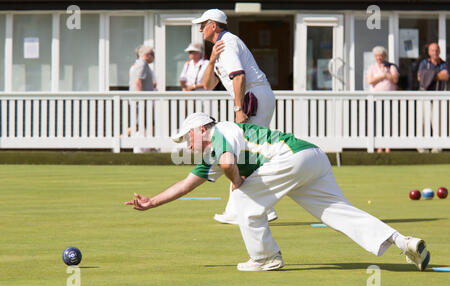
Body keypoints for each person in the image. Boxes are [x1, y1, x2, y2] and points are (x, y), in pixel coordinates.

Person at [124, 112, 431, 272]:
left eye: (187, 137)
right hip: (312, 156)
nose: (187, 144)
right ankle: (404, 242)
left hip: (289, 158)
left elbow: (229, 162)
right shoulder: (212, 153)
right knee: (339, 213)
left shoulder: (221, 133)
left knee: (243, 200)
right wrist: (152, 202)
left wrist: (237, 182)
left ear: (202, 129)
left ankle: (266, 258)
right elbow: (185, 184)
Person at [192, 8, 278, 224]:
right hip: (256, 96)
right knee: (248, 152)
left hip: (253, 97)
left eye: (203, 24)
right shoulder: (220, 47)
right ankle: (264, 208)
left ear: (214, 25)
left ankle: (241, 209)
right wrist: (211, 61)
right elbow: (208, 85)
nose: (200, 28)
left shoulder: (227, 43)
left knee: (243, 152)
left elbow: (239, 77)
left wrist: (239, 109)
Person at [366, 46, 399, 153]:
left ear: (384, 56)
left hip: (389, 99)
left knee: (388, 123)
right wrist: (382, 76)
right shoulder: (372, 68)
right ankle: (379, 147)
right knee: (378, 122)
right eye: (376, 56)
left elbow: (395, 79)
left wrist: (386, 73)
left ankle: (388, 146)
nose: (378, 58)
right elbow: (370, 81)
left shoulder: (391, 67)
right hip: (376, 100)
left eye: (380, 55)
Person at [417, 42, 448, 153]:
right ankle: (423, 147)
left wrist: (429, 75)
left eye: (436, 50)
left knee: (438, 122)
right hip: (426, 96)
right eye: (432, 50)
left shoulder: (444, 64)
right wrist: (436, 75)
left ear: (439, 51)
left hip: (439, 98)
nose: (435, 52)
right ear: (429, 52)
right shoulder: (424, 63)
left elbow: (445, 76)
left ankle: (437, 147)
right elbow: (420, 77)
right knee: (424, 122)